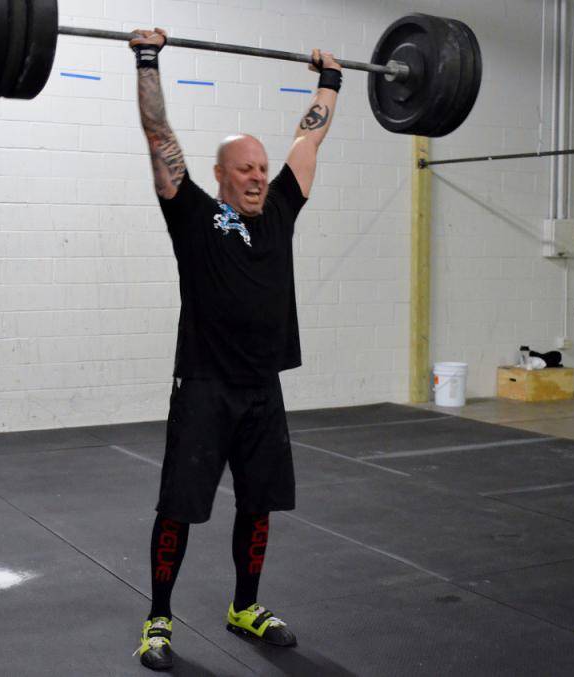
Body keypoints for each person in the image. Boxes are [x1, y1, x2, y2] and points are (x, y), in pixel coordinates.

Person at [129, 27, 341, 671]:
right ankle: (158, 619)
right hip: (204, 386)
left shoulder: (279, 209)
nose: (257, 176)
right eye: (245, 168)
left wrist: (330, 79)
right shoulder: (193, 215)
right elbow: (159, 135)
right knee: (180, 508)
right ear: (220, 175)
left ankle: (245, 606)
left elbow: (309, 139)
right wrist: (147, 60)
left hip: (261, 388)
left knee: (258, 502)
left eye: (261, 167)